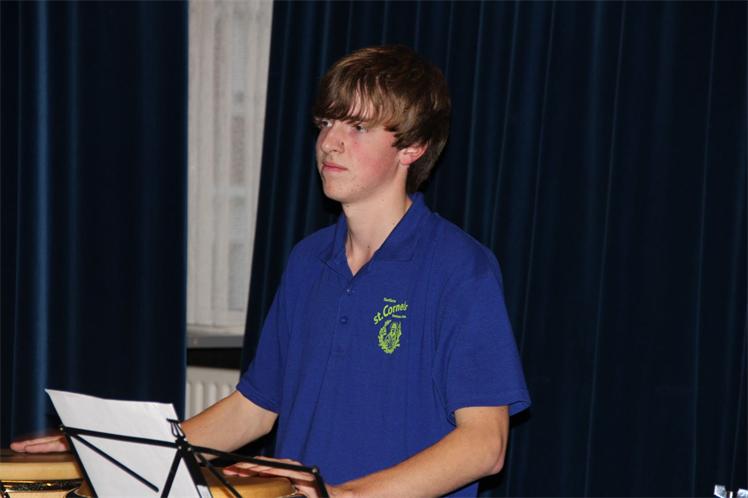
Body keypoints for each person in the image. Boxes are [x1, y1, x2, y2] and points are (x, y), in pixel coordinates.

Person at [12, 45, 530, 497]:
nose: (329, 143)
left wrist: (347, 494)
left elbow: (485, 445)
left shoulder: (460, 269)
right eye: (326, 123)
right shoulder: (308, 261)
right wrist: (111, 449)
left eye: (357, 127)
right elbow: (255, 409)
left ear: (412, 148)